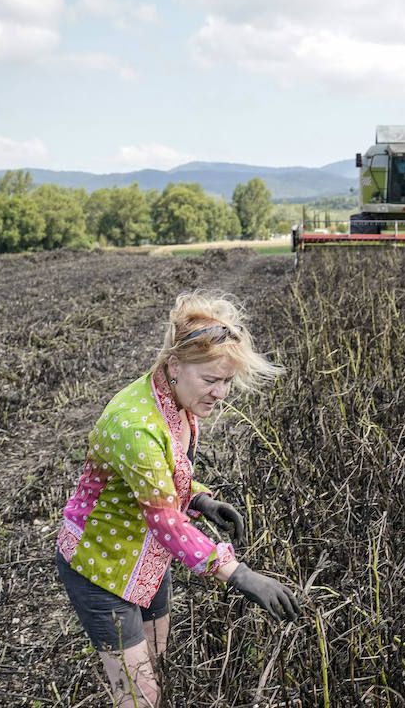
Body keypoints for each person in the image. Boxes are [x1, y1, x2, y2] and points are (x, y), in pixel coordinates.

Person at [54, 291, 300, 707]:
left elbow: (163, 477)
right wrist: (240, 575)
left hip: (148, 558)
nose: (220, 394)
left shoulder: (178, 403)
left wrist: (201, 499)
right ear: (174, 366)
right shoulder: (136, 425)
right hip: (100, 566)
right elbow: (165, 519)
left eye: (226, 381)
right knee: (139, 694)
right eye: (211, 380)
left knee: (157, 664)